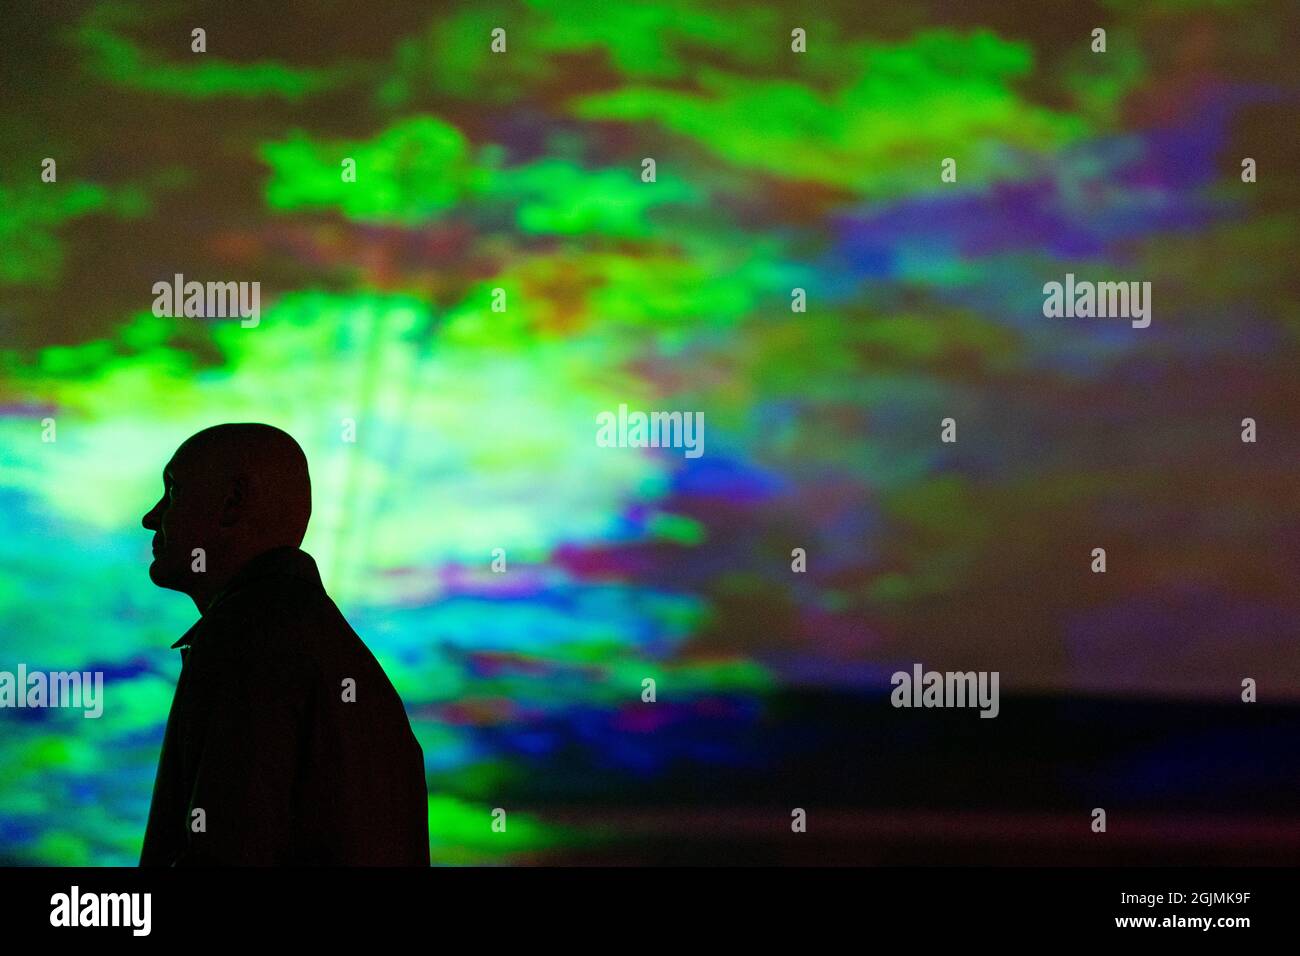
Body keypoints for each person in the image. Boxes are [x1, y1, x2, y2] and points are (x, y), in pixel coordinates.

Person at [138, 423, 429, 865]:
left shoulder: (247, 637)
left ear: (233, 502)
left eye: (173, 491)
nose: (152, 517)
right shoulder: (340, 657)